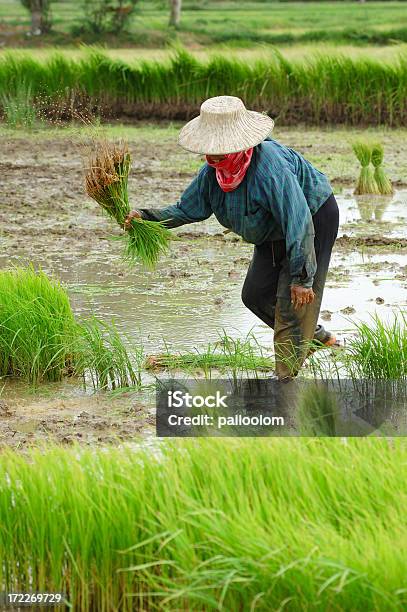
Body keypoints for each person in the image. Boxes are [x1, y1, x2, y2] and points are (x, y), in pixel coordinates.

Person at [125, 96, 339, 380]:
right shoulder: (212, 175)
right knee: (255, 295)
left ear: (240, 143)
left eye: (221, 148)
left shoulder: (269, 169)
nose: (214, 156)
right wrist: (146, 218)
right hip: (270, 229)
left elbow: (298, 222)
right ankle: (316, 338)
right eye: (210, 149)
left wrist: (302, 278)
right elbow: (187, 209)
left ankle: (285, 383)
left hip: (312, 219)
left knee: (293, 303)